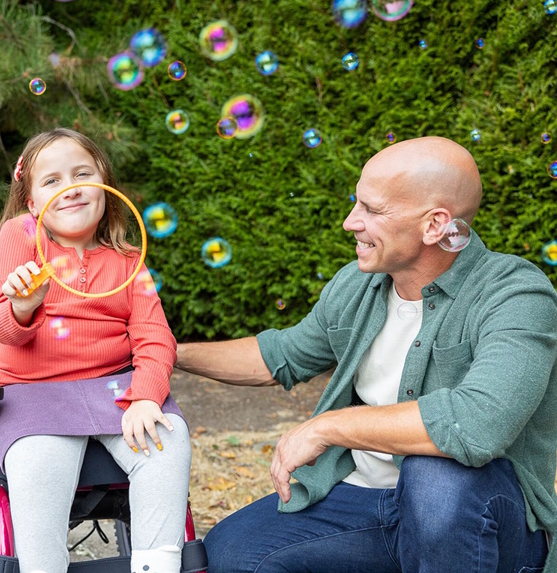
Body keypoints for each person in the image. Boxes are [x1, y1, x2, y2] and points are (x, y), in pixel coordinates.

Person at [176, 136, 557, 572]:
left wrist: (329, 427)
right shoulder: (357, 284)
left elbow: (475, 424)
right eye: (356, 204)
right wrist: (172, 353)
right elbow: (283, 355)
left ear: (435, 226)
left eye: (371, 210)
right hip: (369, 501)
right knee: (233, 551)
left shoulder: (516, 293)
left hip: (482, 521)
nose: (349, 222)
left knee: (435, 478)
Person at [0, 128, 192, 573]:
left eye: (82, 174)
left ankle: (158, 565)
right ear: (31, 202)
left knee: (167, 440)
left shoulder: (127, 261)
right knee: (38, 464)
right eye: (52, 180)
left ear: (104, 186)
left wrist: (146, 396)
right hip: (32, 392)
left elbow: (155, 338)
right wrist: (20, 307)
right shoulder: (19, 239)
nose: (71, 188)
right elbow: (0, 332)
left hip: (114, 388)